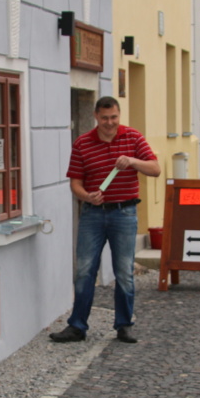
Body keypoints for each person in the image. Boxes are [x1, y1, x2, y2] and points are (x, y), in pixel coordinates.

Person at [51, 96, 160, 344]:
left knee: (124, 271)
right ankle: (77, 326)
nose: (110, 123)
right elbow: (75, 183)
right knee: (84, 270)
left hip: (124, 213)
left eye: (114, 117)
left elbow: (155, 169)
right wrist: (86, 196)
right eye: (104, 118)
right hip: (92, 214)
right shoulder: (83, 143)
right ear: (96, 117)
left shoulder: (133, 137)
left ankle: (124, 325)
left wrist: (133, 161)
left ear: (119, 115)